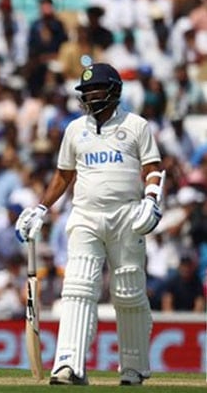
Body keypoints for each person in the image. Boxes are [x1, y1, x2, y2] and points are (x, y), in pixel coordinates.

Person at [15, 62, 164, 386]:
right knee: (78, 286)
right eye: (86, 91)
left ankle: (134, 367)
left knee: (128, 292)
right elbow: (63, 175)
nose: (90, 96)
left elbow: (152, 167)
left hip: (127, 216)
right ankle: (69, 364)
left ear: (114, 91)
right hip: (85, 215)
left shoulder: (136, 126)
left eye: (96, 89)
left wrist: (152, 198)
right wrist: (41, 207)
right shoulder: (74, 129)